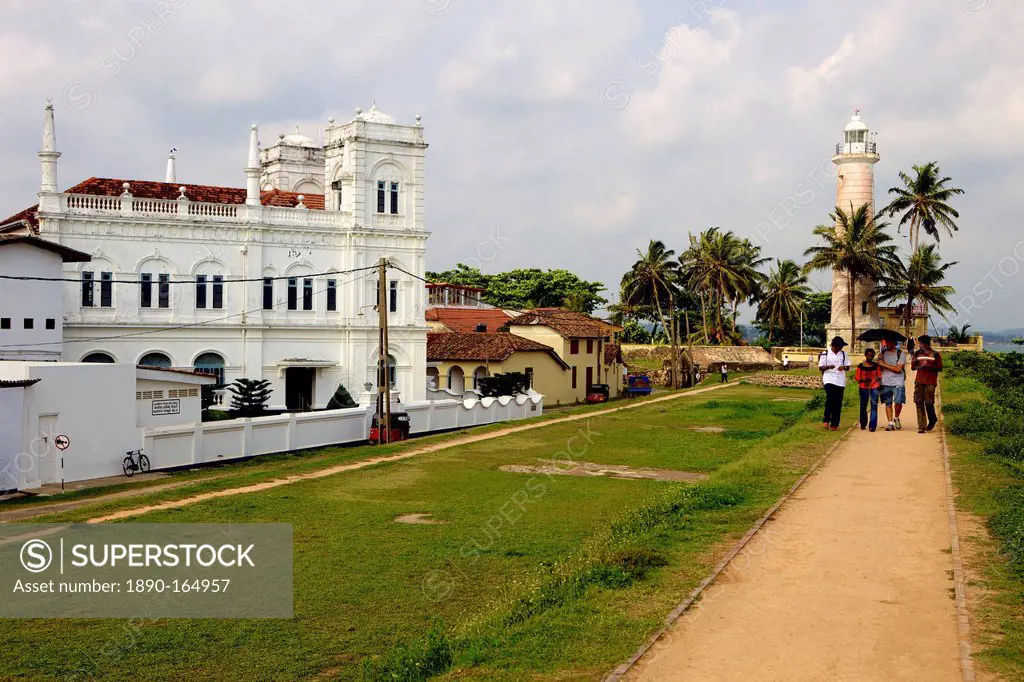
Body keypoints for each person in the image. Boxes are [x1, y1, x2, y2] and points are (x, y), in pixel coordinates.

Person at [818, 336, 851, 431]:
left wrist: (843, 367)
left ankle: (835, 424)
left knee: (838, 403)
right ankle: (826, 420)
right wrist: (828, 367)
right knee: (830, 399)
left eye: (841, 347)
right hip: (829, 379)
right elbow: (820, 367)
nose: (840, 348)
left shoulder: (844, 354)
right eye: (839, 346)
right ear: (834, 345)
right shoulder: (825, 354)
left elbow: (848, 367)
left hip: (840, 380)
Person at [912, 334, 943, 433]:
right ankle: (921, 426)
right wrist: (920, 366)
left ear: (925, 344)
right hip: (919, 381)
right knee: (918, 402)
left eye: (920, 343)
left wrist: (928, 366)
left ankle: (932, 419)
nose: (919, 345)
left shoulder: (935, 354)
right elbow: (913, 367)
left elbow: (940, 368)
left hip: (930, 381)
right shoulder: (917, 354)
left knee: (929, 403)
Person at [877, 339, 907, 431]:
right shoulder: (883, 353)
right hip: (885, 381)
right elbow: (879, 366)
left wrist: (884, 364)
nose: (888, 344)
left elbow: (898, 369)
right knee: (888, 403)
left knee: (898, 401)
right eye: (887, 342)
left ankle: (896, 417)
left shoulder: (901, 354)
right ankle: (890, 423)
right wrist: (879, 359)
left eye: (890, 342)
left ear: (894, 343)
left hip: (898, 381)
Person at [855, 348, 883, 432]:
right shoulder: (860, 366)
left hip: (874, 387)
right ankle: (863, 423)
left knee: (874, 406)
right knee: (863, 406)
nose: (870, 357)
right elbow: (857, 377)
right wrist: (863, 379)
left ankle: (872, 426)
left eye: (872, 356)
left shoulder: (876, 366)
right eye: (869, 355)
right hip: (863, 387)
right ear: (865, 355)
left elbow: (879, 376)